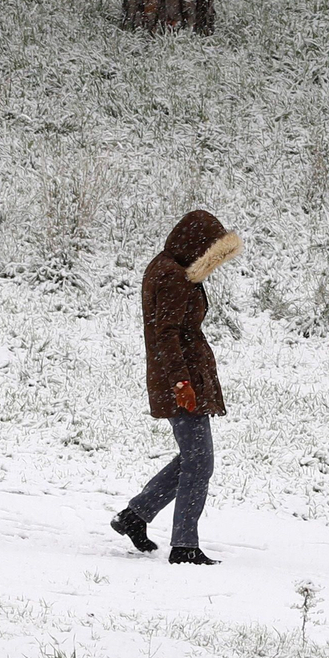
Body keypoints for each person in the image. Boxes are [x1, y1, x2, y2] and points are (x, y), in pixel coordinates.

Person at [111, 210, 242, 565]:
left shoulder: (170, 267)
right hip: (181, 380)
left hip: (182, 376)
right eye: (211, 256)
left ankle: (135, 516)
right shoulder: (170, 274)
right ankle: (184, 546)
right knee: (200, 461)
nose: (211, 265)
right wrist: (182, 382)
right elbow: (165, 333)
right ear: (196, 245)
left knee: (192, 458)